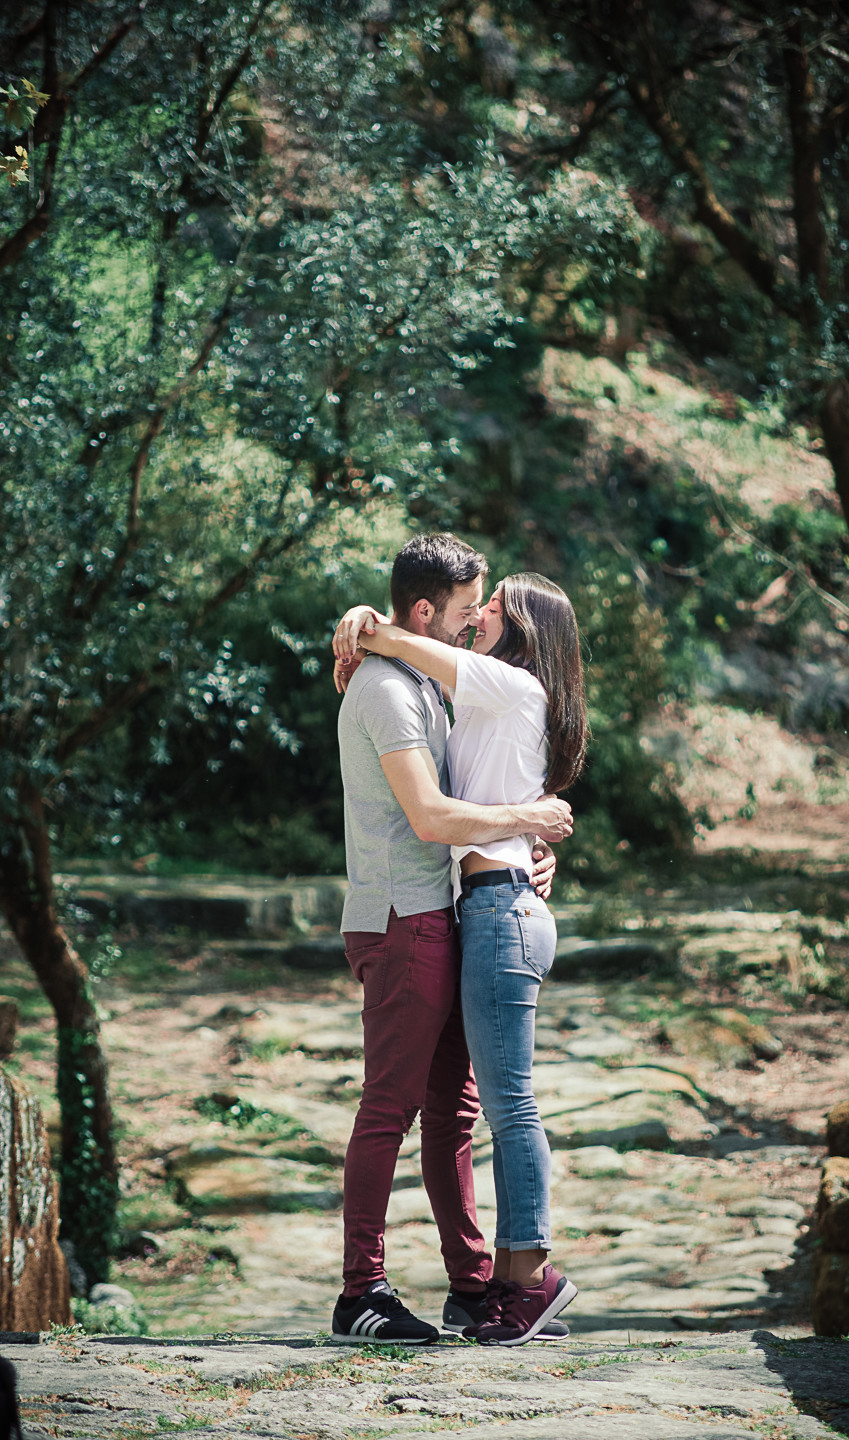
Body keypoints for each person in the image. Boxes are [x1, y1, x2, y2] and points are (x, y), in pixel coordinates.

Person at [330, 534, 573, 1347]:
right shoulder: (392, 691)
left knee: (454, 1113)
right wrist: (527, 823)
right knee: (391, 1109)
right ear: (427, 609)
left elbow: (488, 774)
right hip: (405, 916)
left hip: (458, 913)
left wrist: (527, 854)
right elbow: (435, 816)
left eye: (488, 611)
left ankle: (474, 1286)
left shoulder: (438, 687)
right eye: (470, 609)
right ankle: (360, 1288)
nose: (476, 622)